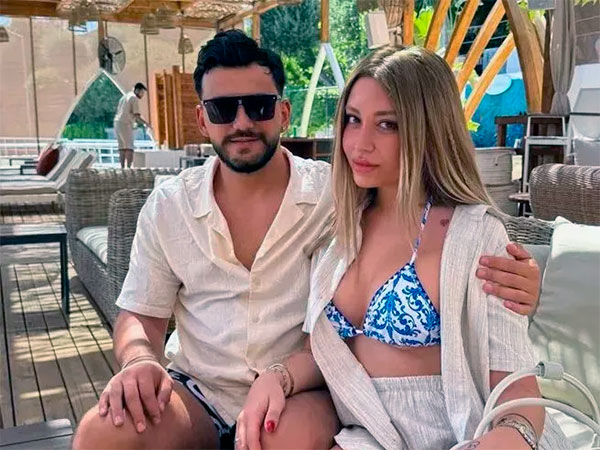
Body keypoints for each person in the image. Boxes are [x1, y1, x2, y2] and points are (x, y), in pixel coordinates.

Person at [73, 32, 544, 450]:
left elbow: (466, 246)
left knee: (277, 437)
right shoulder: (176, 207)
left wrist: (529, 281)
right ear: (202, 119)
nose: (241, 122)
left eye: (258, 106)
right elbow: (142, 312)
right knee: (99, 435)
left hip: (312, 400)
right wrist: (139, 361)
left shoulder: (333, 197)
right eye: (222, 109)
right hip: (204, 390)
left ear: (283, 112)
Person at [235, 46, 569, 450]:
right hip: (371, 431)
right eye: (353, 120)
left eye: (387, 124)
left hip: (468, 435)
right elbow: (326, 353)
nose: (360, 144)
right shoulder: (339, 230)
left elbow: (517, 391)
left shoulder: (473, 235)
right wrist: (277, 377)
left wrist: (507, 438)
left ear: (428, 129)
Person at [114, 82, 149, 168]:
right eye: (142, 93)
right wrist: (146, 123)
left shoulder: (124, 97)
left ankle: (122, 167)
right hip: (125, 123)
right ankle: (129, 167)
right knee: (129, 147)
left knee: (122, 147)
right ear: (137, 90)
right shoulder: (134, 98)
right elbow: (136, 115)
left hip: (117, 123)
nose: (142, 95)